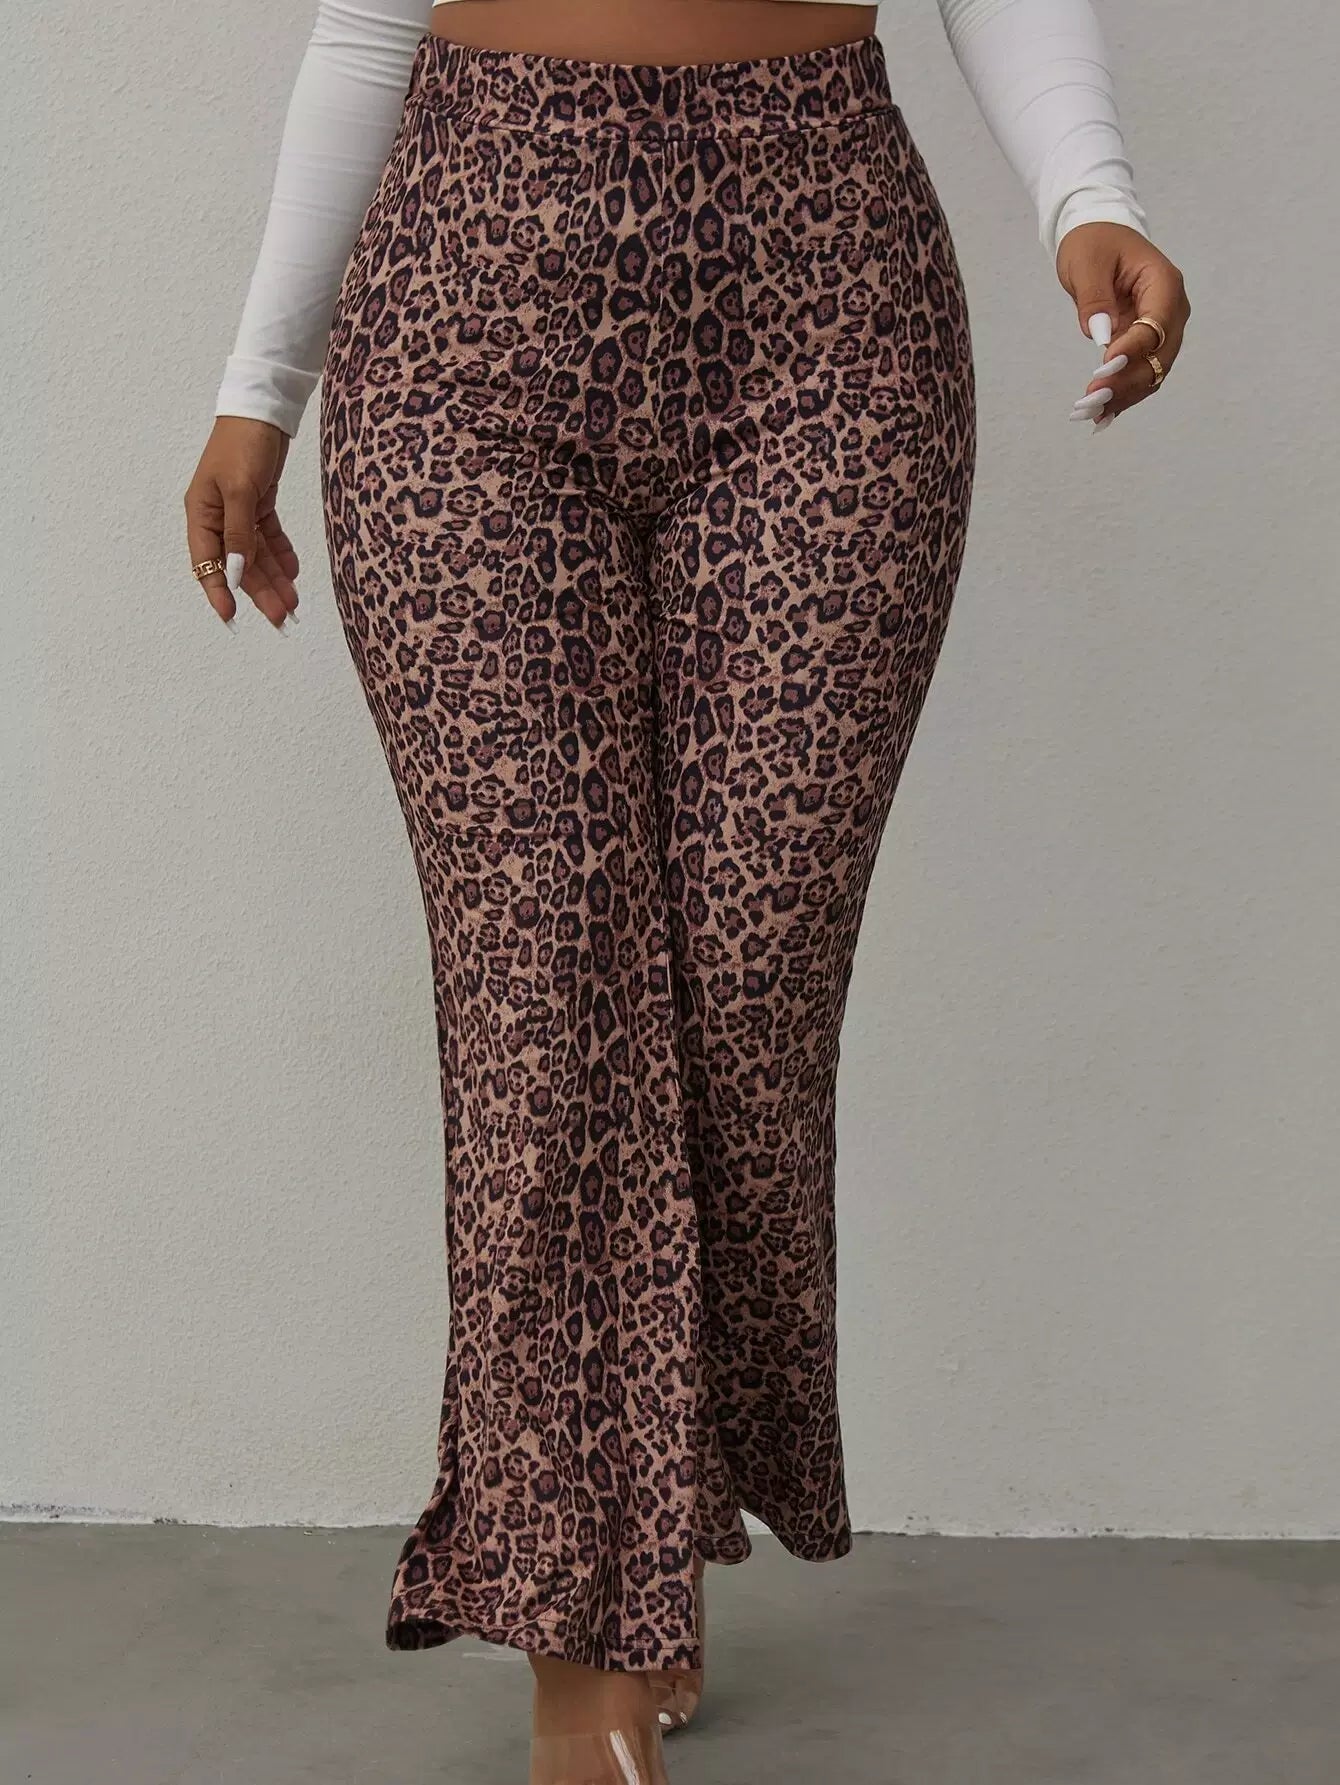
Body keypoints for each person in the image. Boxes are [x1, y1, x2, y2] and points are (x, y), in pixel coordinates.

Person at [183, 1, 1188, 1779]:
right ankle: (582, 1632)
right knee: (546, 987)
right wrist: (262, 385)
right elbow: (370, 18)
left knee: (747, 990)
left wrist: (1084, 193)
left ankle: (652, 1528)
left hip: (831, 326)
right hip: (464, 331)